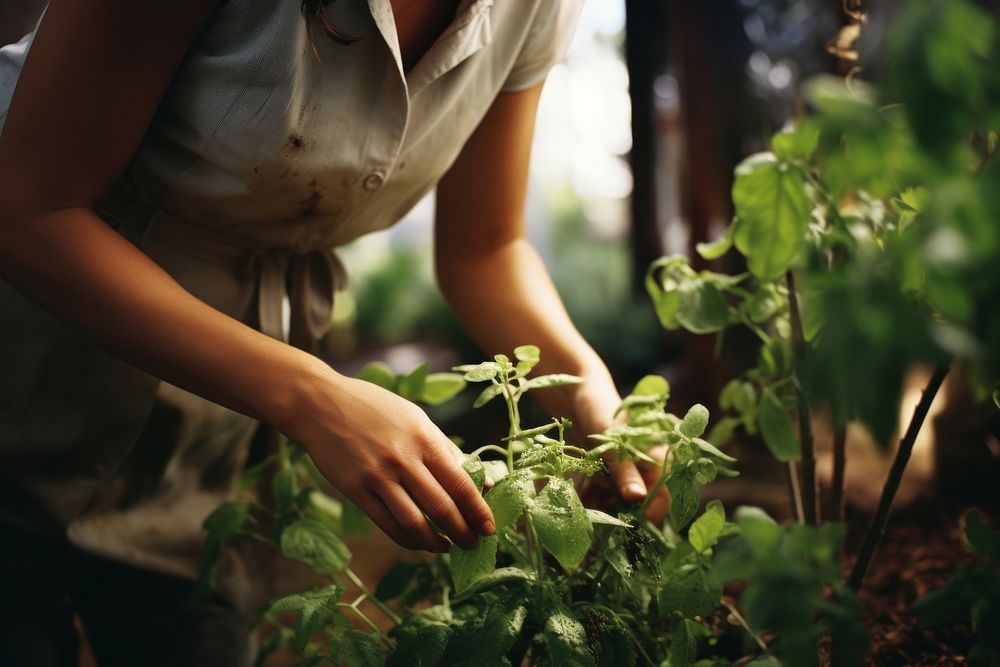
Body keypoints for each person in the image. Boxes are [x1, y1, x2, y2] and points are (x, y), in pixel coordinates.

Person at [0, 0, 669, 664]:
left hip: (218, 414)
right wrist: (314, 397)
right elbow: (30, 209)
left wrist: (588, 393)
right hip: (29, 352)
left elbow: (485, 250)